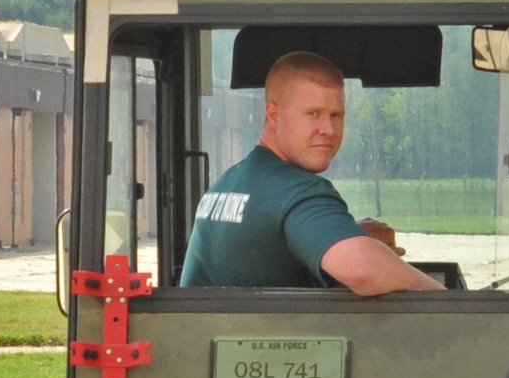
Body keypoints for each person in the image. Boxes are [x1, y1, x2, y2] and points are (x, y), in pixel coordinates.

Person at [181, 50, 443, 294]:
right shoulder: (296, 190)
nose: (328, 129)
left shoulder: (228, 184)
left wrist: (346, 233)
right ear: (274, 115)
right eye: (313, 114)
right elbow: (361, 270)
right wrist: (443, 298)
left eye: (336, 116)